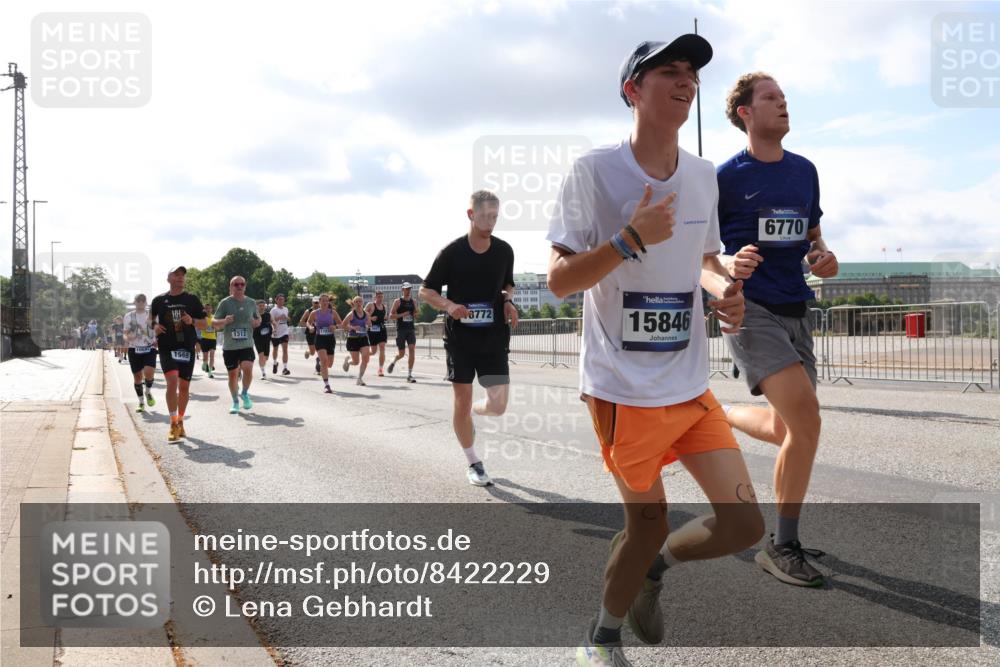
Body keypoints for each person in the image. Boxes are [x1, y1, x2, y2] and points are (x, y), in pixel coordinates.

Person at [546, 37, 764, 665]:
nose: (685, 80)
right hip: (622, 387)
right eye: (668, 71)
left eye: (691, 72)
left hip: (689, 385)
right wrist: (627, 239)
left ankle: (655, 573)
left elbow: (703, 260)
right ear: (632, 91)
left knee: (745, 526)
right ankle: (603, 637)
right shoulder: (594, 171)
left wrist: (725, 292)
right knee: (644, 524)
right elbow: (560, 281)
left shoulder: (702, 176)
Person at [716, 71, 839, 587]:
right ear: (745, 113)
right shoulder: (724, 177)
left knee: (791, 428)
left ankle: (716, 414)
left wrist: (824, 257)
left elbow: (814, 238)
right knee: (807, 420)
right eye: (771, 98)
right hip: (751, 309)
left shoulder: (804, 171)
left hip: (795, 306)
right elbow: (703, 252)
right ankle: (780, 545)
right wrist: (728, 267)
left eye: (785, 98)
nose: (783, 104)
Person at [420, 190, 519, 487]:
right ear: (471, 214)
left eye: (495, 216)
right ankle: (474, 462)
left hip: (493, 337)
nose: (491, 222)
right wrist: (449, 306)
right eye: (486, 216)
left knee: (498, 406)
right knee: (460, 400)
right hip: (460, 338)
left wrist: (508, 301)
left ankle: (477, 409)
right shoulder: (451, 253)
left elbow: (508, 285)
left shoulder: (504, 251)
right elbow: (426, 290)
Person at [150, 266, 207, 442]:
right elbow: (150, 321)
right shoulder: (159, 300)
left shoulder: (192, 300)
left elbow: (204, 324)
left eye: (183, 275)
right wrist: (155, 327)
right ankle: (173, 422)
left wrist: (193, 321)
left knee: (184, 388)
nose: (181, 278)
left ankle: (180, 420)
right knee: (172, 382)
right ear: (169, 278)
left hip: (186, 347)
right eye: (177, 275)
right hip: (167, 347)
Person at [213, 276, 261, 414]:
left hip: (246, 344)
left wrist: (256, 322)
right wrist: (224, 321)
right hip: (230, 346)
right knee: (233, 375)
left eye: (242, 284)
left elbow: (258, 319)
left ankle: (245, 393)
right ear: (231, 287)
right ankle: (235, 401)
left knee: (248, 369)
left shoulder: (251, 302)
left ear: (245, 286)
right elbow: (214, 323)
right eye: (236, 284)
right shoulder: (225, 303)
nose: (239, 286)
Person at [123, 294, 157, 412]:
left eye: (143, 300)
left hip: (149, 347)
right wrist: (127, 338)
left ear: (146, 302)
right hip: (134, 348)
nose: (141, 302)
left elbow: (157, 330)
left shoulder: (152, 315)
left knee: (149, 372)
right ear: (135, 302)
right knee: (137, 377)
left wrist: (157, 340)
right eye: (138, 300)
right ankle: (141, 402)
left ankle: (148, 392)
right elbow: (125, 332)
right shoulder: (129, 316)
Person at [308, 293, 343, 393]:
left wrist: (335, 327)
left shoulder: (333, 312)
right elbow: (308, 322)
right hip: (320, 338)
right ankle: (327, 385)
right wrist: (310, 327)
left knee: (329, 364)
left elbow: (341, 324)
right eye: (323, 301)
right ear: (319, 302)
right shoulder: (314, 313)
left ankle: (320, 362)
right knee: (324, 362)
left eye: (326, 301)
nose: (325, 303)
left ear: (328, 302)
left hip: (330, 339)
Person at [387, 282, 418, 383]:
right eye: (406, 289)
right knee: (401, 353)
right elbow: (391, 316)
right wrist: (403, 314)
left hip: (411, 329)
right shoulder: (398, 301)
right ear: (402, 290)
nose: (408, 291)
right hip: (401, 330)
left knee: (412, 349)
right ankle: (393, 361)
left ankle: (409, 375)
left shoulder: (413, 301)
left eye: (409, 289)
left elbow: (416, 313)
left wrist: (415, 314)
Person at [341, 296, 372, 386]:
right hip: (353, 339)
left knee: (366, 359)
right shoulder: (351, 314)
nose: (358, 303)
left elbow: (369, 324)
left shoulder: (366, 314)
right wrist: (353, 327)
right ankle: (348, 361)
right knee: (356, 362)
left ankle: (359, 378)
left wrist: (368, 325)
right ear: (354, 303)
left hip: (363, 338)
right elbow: (343, 325)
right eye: (356, 301)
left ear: (362, 303)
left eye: (360, 301)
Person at [366, 291, 389, 376]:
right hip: (372, 330)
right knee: (373, 351)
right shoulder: (370, 305)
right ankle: (364, 353)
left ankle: (380, 369)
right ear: (375, 297)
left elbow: (383, 317)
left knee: (382, 347)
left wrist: (385, 318)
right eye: (378, 297)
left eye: (381, 297)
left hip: (382, 329)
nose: (380, 298)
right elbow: (362, 315)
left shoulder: (384, 306)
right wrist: (371, 318)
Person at [269, 293, 292, 376]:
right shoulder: (273, 310)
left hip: (284, 331)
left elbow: (289, 319)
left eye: (283, 299)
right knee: (275, 349)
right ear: (276, 300)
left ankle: (285, 368)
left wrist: (286, 318)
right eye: (280, 299)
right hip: (276, 332)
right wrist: (278, 318)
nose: (281, 301)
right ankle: (275, 363)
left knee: (285, 349)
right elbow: (271, 320)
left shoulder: (286, 309)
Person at [299, 297, 321, 374]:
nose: (316, 304)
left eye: (317, 302)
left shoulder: (322, 311)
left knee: (320, 348)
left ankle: (319, 365)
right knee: (312, 352)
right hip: (310, 333)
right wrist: (310, 326)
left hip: (320, 332)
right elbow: (301, 322)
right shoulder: (308, 311)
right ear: (312, 303)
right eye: (315, 303)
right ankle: (308, 351)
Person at [253, 299, 273, 380]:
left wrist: (274, 328)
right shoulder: (254, 315)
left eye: (263, 306)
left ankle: (262, 365)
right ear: (256, 307)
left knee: (266, 357)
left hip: (267, 338)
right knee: (261, 355)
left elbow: (273, 322)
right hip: (257, 338)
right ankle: (263, 373)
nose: (262, 307)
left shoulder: (268, 315)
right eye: (260, 306)